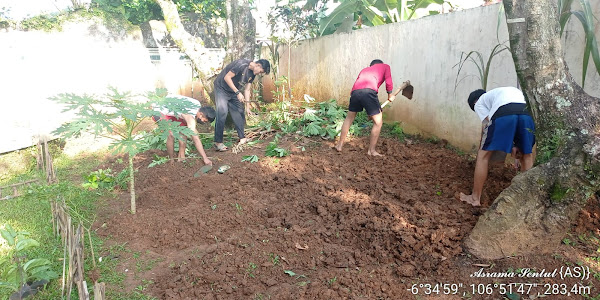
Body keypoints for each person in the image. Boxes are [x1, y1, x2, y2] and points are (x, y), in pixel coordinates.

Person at [459, 87, 536, 207]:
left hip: (504, 114)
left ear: (474, 102)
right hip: (526, 113)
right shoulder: (501, 93)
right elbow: (514, 120)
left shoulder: (479, 102)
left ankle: (474, 198)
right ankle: (527, 201)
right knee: (527, 155)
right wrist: (515, 145)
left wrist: (484, 149)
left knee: (482, 156)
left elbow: (488, 126)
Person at [335, 59, 409, 156]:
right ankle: (371, 151)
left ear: (371, 65)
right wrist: (390, 95)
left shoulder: (364, 70)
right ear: (380, 64)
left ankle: (339, 145)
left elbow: (357, 87)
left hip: (355, 92)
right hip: (369, 91)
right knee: (378, 122)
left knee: (349, 118)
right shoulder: (385, 66)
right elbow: (389, 81)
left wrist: (372, 111)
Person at [213, 58, 270, 151]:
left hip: (233, 91)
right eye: (260, 71)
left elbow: (247, 90)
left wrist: (247, 107)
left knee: (239, 111)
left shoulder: (252, 74)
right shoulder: (241, 65)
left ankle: (242, 138)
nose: (259, 74)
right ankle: (218, 142)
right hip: (221, 88)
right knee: (222, 112)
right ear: (258, 65)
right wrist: (237, 92)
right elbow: (226, 77)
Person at [153, 94, 216, 166]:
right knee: (171, 134)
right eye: (204, 121)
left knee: (184, 130)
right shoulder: (190, 117)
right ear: (201, 114)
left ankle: (181, 157)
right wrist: (205, 158)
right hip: (159, 110)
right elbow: (195, 139)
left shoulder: (197, 104)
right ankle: (171, 161)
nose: (203, 122)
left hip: (173, 112)